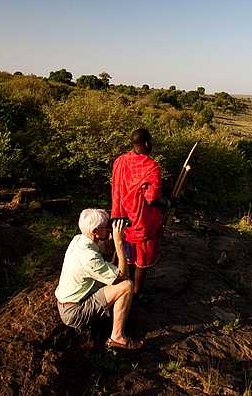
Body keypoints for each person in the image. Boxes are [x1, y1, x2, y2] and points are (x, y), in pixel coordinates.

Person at [54, 208, 143, 350]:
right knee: (126, 286)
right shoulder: (89, 258)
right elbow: (122, 276)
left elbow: (103, 250)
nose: (109, 228)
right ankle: (117, 337)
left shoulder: (78, 240)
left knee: (110, 275)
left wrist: (109, 237)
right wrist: (119, 243)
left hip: (70, 299)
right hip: (74, 311)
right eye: (106, 226)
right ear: (95, 231)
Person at [111, 128, 164, 298]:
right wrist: (168, 202)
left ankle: (118, 288)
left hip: (121, 220)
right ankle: (136, 293)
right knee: (141, 262)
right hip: (141, 223)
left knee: (123, 255)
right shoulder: (151, 167)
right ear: (147, 143)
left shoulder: (119, 161)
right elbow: (152, 198)